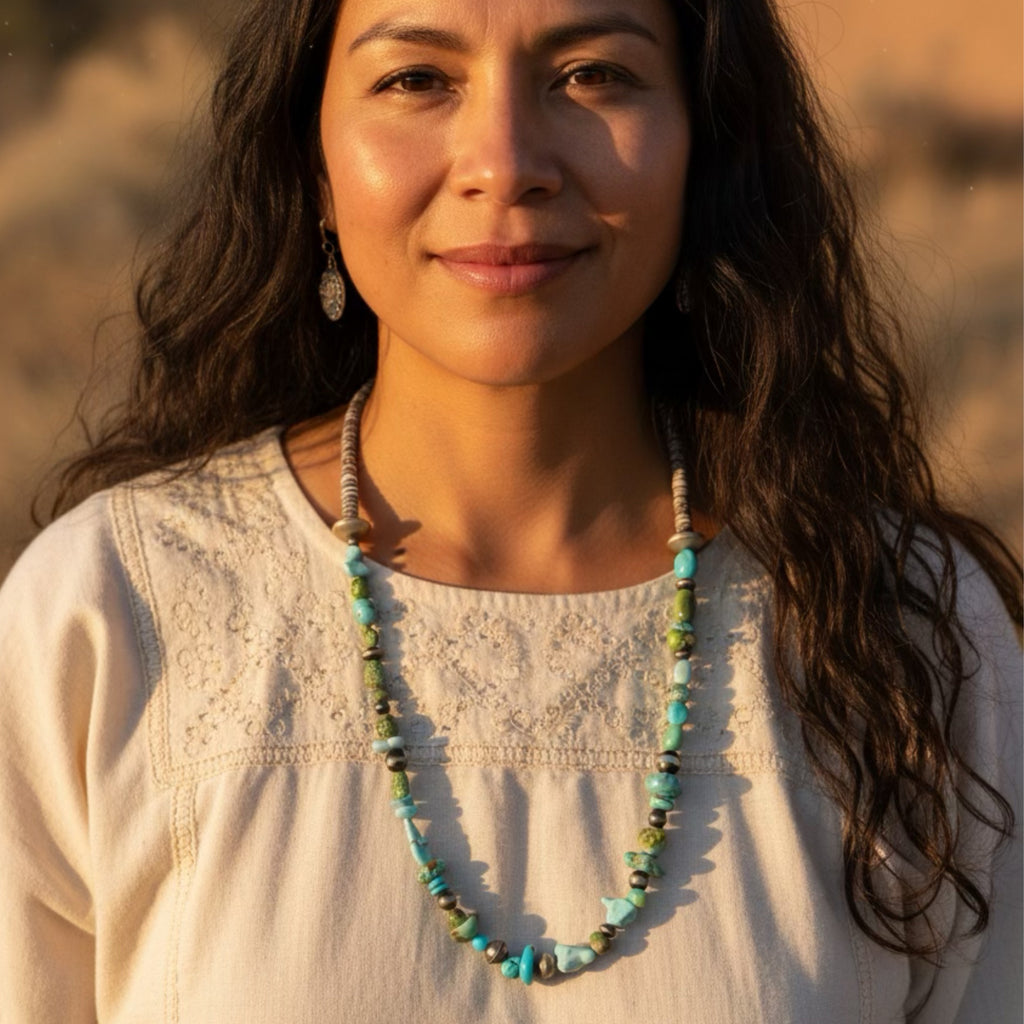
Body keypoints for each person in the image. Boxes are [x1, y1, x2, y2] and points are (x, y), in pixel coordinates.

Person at [1, 0, 1020, 1020]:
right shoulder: (112, 612)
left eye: (592, 75)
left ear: (705, 141)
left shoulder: (909, 636)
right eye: (417, 80)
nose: (505, 161)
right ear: (311, 159)